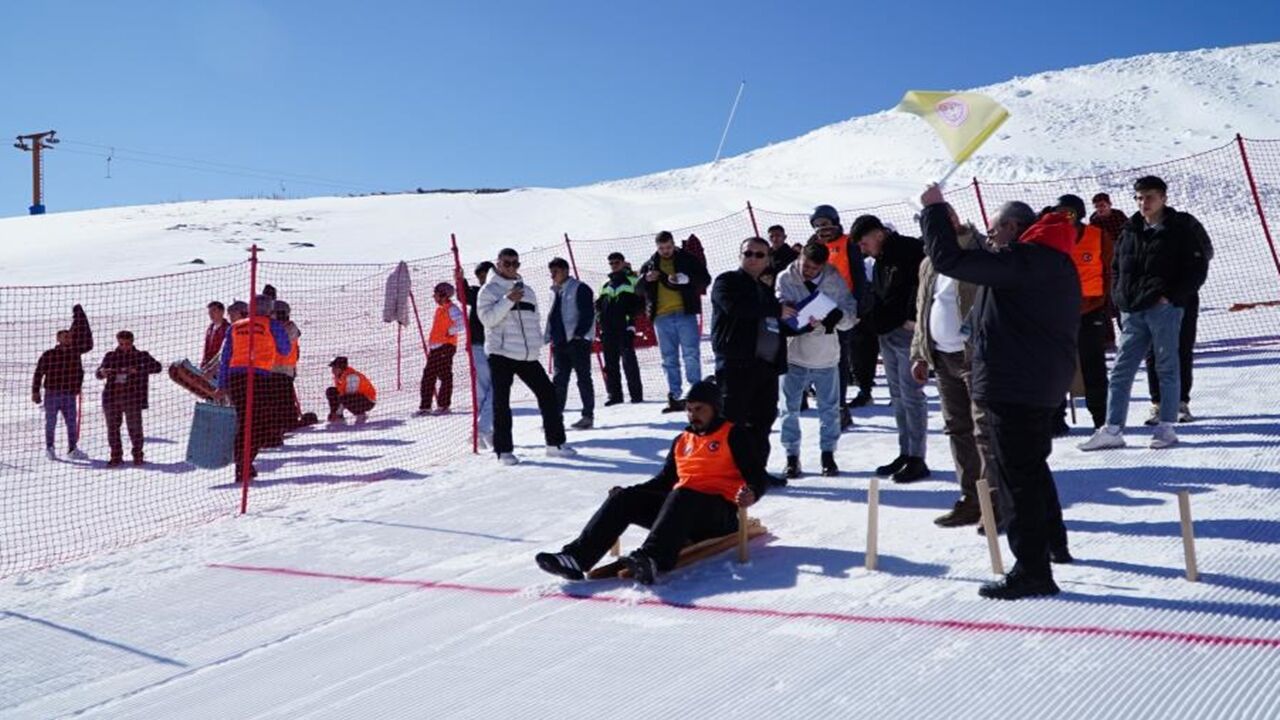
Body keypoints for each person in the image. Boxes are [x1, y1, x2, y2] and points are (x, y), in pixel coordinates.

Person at [921, 186, 1080, 600]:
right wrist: (954, 228)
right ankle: (1052, 544)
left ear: (1012, 227)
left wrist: (934, 211)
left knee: (1016, 478)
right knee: (1031, 467)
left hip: (1017, 384)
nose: (990, 240)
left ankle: (1032, 569)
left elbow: (949, 261)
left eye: (993, 232)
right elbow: (973, 261)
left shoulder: (1027, 260)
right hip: (1031, 381)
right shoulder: (1041, 258)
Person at [534, 380, 769, 585]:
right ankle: (576, 558)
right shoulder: (682, 440)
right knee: (626, 498)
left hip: (718, 515)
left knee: (682, 494)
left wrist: (752, 493)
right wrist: (626, 494)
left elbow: (757, 476)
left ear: (715, 409)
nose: (692, 415)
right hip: (681, 511)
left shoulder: (733, 435)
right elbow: (664, 482)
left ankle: (652, 558)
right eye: (688, 410)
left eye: (699, 409)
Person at [1080, 175, 1212, 451]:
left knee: (1167, 365)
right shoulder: (1130, 229)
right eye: (1139, 198)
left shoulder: (1180, 229)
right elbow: (1117, 266)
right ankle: (1112, 429)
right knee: (1121, 370)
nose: (1144, 203)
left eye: (1149, 197)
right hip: (1132, 310)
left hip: (1164, 309)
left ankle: (1166, 427)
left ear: (1163, 198)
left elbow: (1196, 269)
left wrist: (1171, 297)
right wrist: (1119, 297)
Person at [910, 208, 991, 526]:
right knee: (958, 429)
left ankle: (994, 501)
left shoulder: (977, 252)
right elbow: (922, 309)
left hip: (975, 356)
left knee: (984, 431)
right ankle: (971, 498)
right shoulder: (929, 263)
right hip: (942, 358)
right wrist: (919, 353)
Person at [476, 248, 575, 465]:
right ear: (498, 264)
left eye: (515, 263)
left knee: (548, 394)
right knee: (501, 402)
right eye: (506, 263)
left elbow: (535, 319)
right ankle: (504, 451)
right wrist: (507, 300)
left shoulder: (528, 291)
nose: (511, 267)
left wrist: (537, 344)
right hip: (501, 353)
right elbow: (488, 319)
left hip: (527, 355)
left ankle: (555, 443)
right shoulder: (488, 291)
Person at [853, 214, 930, 483]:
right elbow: (880, 294)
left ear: (878, 234)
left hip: (908, 333)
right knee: (897, 396)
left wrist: (914, 318)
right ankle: (905, 452)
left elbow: (921, 289)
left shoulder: (910, 250)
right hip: (886, 332)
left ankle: (918, 458)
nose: (863, 250)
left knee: (912, 396)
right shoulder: (880, 260)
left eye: (864, 243)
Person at [711, 237, 792, 479]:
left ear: (767, 259)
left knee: (762, 422)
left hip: (766, 367)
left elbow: (775, 323)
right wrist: (777, 311)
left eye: (759, 255)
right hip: (737, 365)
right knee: (732, 423)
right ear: (740, 256)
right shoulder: (727, 282)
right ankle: (726, 473)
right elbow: (735, 308)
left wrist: (807, 322)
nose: (753, 259)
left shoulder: (766, 290)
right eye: (749, 253)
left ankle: (756, 472)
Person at [775, 242, 856, 478]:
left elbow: (850, 312)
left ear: (823, 266)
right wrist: (789, 312)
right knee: (789, 408)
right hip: (794, 354)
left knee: (829, 409)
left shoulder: (834, 279)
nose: (807, 271)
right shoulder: (786, 278)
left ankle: (828, 454)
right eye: (805, 265)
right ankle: (791, 456)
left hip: (825, 354)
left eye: (813, 268)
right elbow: (779, 307)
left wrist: (838, 317)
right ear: (799, 257)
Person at [216, 294, 293, 479]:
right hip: (259, 376)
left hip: (236, 377)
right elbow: (285, 349)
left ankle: (241, 464)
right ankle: (246, 461)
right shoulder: (271, 325)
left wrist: (221, 384)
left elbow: (225, 357)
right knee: (259, 422)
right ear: (269, 309)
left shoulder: (235, 326)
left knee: (243, 419)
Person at [1055, 194, 1114, 432]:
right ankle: (1055, 419)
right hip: (1057, 313)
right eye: (1059, 213)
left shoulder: (1098, 236)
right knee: (1055, 367)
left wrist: (1104, 304)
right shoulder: (1050, 239)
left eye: (1068, 213)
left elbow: (1110, 270)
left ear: (1078, 213)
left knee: (1094, 367)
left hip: (1091, 311)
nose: (1063, 218)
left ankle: (1102, 419)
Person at [809, 205, 871, 429]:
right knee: (820, 359)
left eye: (825, 224)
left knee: (839, 358)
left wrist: (858, 306)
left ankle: (840, 406)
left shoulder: (848, 242)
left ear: (835, 222)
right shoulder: (813, 246)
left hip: (842, 308)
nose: (822, 230)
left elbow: (859, 276)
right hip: (818, 309)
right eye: (817, 226)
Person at [637, 231, 711, 412]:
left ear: (673, 244)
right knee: (669, 358)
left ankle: (694, 393)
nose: (665, 251)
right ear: (657, 247)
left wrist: (688, 279)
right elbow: (637, 289)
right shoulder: (649, 265)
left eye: (668, 247)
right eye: (662, 248)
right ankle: (675, 395)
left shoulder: (687, 259)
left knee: (691, 353)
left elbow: (705, 279)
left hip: (685, 312)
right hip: (661, 317)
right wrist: (645, 279)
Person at [32, 305, 94, 460]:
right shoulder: (49, 354)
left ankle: (72, 449)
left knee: (71, 423)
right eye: (64, 336)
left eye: (70, 336)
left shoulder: (76, 352)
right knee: (50, 422)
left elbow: (89, 343)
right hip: (52, 394)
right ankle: (50, 448)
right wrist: (35, 391)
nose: (68, 338)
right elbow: (38, 373)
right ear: (58, 339)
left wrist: (80, 317)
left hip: (70, 394)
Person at [95, 330, 162, 466]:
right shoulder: (111, 356)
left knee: (135, 427)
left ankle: (138, 455)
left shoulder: (141, 355)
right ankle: (116, 456)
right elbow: (98, 373)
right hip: (112, 397)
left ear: (132, 342)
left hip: (132, 397)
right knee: (112, 428)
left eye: (127, 344)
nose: (124, 346)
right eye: (121, 344)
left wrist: (138, 369)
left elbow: (157, 367)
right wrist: (103, 373)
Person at [546, 257, 596, 430]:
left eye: (556, 272)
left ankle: (588, 416)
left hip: (577, 342)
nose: (553, 276)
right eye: (551, 272)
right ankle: (555, 416)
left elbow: (588, 313)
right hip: (559, 342)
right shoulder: (554, 291)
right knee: (559, 381)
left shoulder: (580, 288)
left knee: (583, 378)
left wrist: (579, 334)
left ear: (566, 271)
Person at [596, 252, 644, 406]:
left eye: (617, 262)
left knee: (629, 361)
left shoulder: (632, 280)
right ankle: (615, 395)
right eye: (611, 263)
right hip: (608, 329)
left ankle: (636, 395)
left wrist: (631, 322)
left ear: (623, 263)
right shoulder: (605, 285)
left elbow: (639, 303)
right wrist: (600, 323)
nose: (614, 265)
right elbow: (598, 306)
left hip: (624, 326)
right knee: (610, 364)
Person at [419, 282, 465, 416]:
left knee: (441, 376)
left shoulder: (452, 308)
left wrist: (451, 331)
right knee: (431, 376)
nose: (434, 296)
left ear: (443, 295)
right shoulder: (441, 309)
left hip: (445, 347)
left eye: (436, 294)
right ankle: (428, 406)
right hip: (437, 347)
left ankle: (441, 405)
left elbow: (461, 323)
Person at [468, 262, 496, 448]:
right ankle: (484, 430)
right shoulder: (479, 292)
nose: (481, 279)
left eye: (484, 275)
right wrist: (459, 279)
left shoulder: (497, 292)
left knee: (494, 389)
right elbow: (465, 293)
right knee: (486, 391)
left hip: (495, 346)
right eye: (478, 276)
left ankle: (482, 430)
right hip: (479, 345)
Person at [326, 356, 377, 421]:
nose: (332, 370)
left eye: (335, 367)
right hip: (355, 397)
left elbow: (348, 397)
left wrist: (338, 412)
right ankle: (338, 416)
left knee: (346, 398)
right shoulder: (339, 376)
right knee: (331, 391)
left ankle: (360, 414)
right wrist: (335, 412)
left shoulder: (352, 377)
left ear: (341, 368)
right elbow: (341, 393)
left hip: (368, 401)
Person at [202, 301, 230, 371]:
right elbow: (206, 348)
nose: (211, 314)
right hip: (208, 365)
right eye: (209, 312)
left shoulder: (228, 328)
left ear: (222, 312)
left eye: (214, 311)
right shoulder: (210, 329)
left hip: (222, 365)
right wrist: (204, 364)